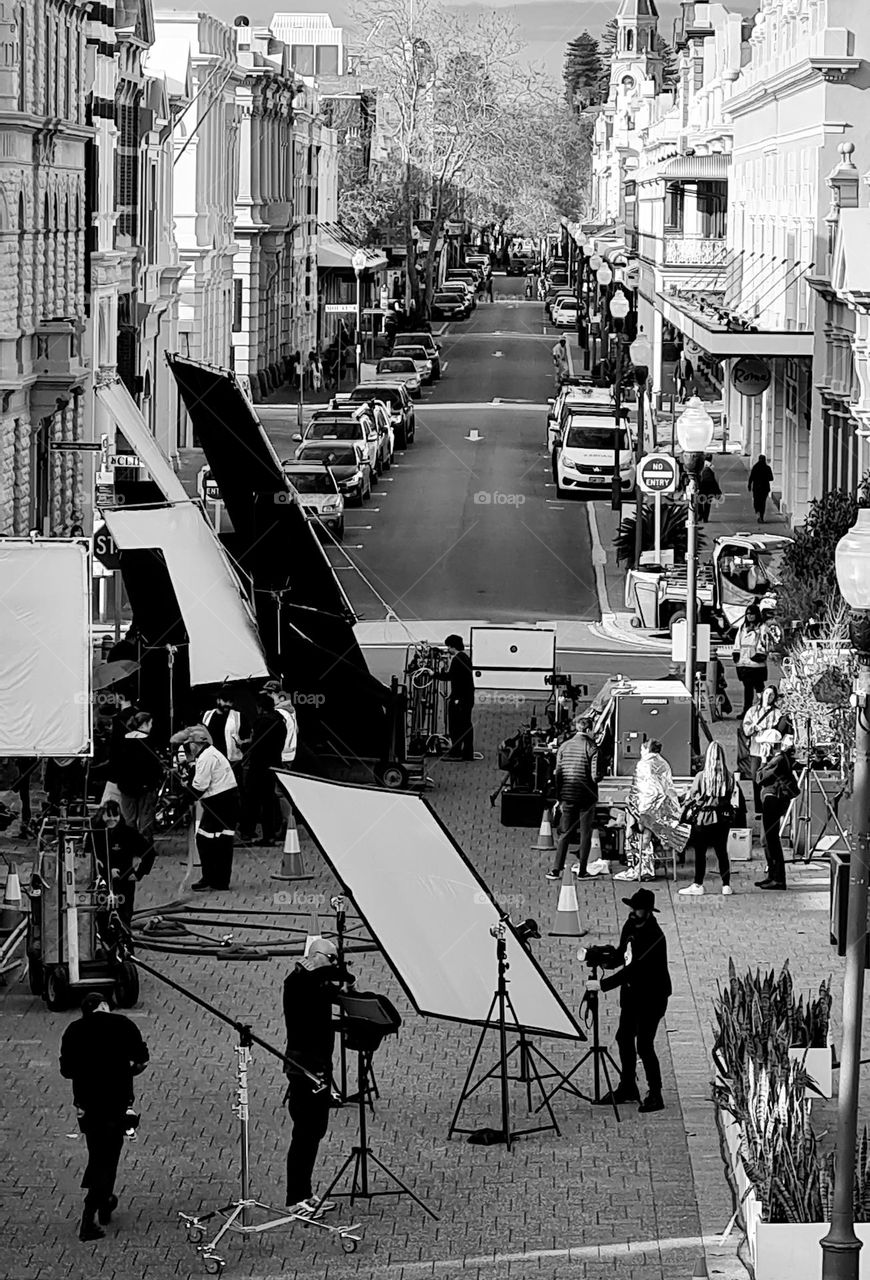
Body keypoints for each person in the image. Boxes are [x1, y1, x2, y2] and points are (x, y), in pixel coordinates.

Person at [60, 992, 149, 1241]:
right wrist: (126, 1071)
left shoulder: (73, 1030)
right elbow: (142, 1060)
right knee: (107, 1158)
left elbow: (66, 1070)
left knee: (98, 1152)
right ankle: (90, 1217)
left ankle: (105, 1201)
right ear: (104, 1006)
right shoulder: (124, 1025)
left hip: (88, 1105)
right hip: (116, 1102)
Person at [283, 938, 353, 1214]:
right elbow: (331, 977)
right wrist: (335, 972)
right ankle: (295, 1198)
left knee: (315, 1131)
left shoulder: (317, 981)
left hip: (320, 1065)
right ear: (315, 956)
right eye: (331, 957)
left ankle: (306, 1191)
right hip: (305, 1068)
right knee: (304, 1132)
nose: (335, 964)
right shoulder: (300, 982)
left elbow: (339, 980)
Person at [590, 887, 672, 1113]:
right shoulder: (630, 925)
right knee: (623, 1037)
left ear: (648, 912)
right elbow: (623, 953)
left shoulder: (655, 936)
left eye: (639, 909)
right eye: (634, 908)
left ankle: (655, 1093)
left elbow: (635, 969)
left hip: (652, 996)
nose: (635, 912)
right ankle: (627, 1087)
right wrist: (606, 962)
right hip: (632, 995)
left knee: (644, 1044)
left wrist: (603, 985)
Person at [172, 725, 239, 891]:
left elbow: (199, 787)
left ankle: (212, 878)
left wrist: (183, 801)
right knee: (219, 841)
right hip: (223, 801)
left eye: (188, 746)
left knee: (207, 840)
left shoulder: (206, 758)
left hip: (220, 802)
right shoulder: (209, 753)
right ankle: (218, 880)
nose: (188, 750)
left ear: (196, 744)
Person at [618, 739, 679, 882]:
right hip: (664, 813)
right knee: (646, 831)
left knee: (633, 830)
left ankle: (640, 867)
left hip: (646, 810)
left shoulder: (643, 764)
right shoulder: (664, 764)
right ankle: (647, 867)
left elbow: (638, 790)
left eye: (641, 750)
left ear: (646, 749)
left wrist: (632, 802)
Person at [678, 742, 735, 896]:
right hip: (722, 819)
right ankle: (726, 885)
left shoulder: (701, 777)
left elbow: (694, 796)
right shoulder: (729, 777)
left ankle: (698, 884)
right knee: (722, 852)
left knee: (700, 853)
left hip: (703, 819)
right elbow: (730, 796)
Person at [547, 715, 599, 881]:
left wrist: (559, 797)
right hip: (586, 797)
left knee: (565, 833)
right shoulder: (592, 748)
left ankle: (556, 869)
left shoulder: (564, 746)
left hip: (567, 796)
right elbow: (595, 776)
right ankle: (582, 871)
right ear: (589, 729)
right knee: (585, 834)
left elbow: (558, 774)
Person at [91, 800, 153, 929]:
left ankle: (125, 941)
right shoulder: (94, 834)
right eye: (109, 815)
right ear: (102, 815)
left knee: (124, 916)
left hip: (125, 883)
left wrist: (139, 873)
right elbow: (88, 858)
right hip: (102, 884)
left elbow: (149, 852)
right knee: (102, 916)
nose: (112, 819)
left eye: (115, 816)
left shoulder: (129, 833)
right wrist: (107, 872)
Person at [241, 694, 286, 845]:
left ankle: (247, 831)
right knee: (269, 801)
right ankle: (270, 834)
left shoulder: (262, 722)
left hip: (259, 766)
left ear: (260, 707)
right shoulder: (280, 722)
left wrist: (244, 745)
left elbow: (257, 744)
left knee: (252, 799)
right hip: (274, 764)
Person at [756, 731, 798, 890]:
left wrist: (763, 760)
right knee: (767, 839)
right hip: (772, 799)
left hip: (773, 799)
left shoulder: (777, 760)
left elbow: (759, 778)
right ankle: (772, 875)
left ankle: (778, 878)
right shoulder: (779, 759)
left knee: (771, 838)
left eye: (763, 744)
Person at [115, 712, 161, 844]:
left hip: (126, 786)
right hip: (146, 786)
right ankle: (145, 846)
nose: (151, 727)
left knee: (129, 818)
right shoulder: (149, 741)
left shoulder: (122, 740)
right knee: (145, 818)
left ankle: (129, 845)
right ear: (145, 724)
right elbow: (154, 765)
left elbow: (117, 763)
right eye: (150, 724)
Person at [743, 685, 787, 814]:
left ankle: (768, 805)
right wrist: (754, 728)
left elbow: (780, 731)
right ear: (762, 694)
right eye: (767, 693)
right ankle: (758, 809)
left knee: (770, 778)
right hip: (756, 749)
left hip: (772, 751)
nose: (768, 696)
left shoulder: (777, 713)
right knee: (755, 777)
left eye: (772, 694)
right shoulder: (752, 711)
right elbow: (746, 729)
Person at [202, 690, 250, 789]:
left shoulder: (238, 716)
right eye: (225, 700)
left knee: (233, 793)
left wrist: (242, 742)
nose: (228, 704)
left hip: (232, 763)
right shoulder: (207, 715)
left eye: (230, 701)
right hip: (212, 763)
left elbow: (249, 737)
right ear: (218, 700)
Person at [439, 635, 476, 762]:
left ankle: (456, 752)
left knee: (456, 726)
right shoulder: (465, 658)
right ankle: (467, 753)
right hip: (466, 698)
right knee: (466, 725)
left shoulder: (457, 660)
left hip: (460, 699)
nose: (447, 649)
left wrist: (435, 674)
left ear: (452, 646)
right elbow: (462, 680)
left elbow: (450, 676)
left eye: (448, 646)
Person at [732, 604, 771, 713]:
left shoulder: (762, 628)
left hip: (756, 664)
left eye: (752, 614)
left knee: (759, 688)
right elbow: (737, 642)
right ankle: (747, 711)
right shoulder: (742, 627)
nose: (750, 616)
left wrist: (760, 655)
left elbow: (765, 643)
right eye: (748, 614)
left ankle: (764, 709)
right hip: (743, 663)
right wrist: (736, 654)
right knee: (747, 689)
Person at [102, 691, 138, 805]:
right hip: (136, 764)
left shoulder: (118, 719)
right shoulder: (140, 716)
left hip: (120, 766)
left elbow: (115, 746)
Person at [748, 454, 775, 523]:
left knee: (756, 501)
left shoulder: (755, 467)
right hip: (764, 488)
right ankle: (761, 516)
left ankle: (757, 512)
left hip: (756, 488)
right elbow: (771, 478)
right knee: (763, 503)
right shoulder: (767, 468)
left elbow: (751, 477)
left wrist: (749, 485)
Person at [696, 456, 721, 523]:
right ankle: (705, 518)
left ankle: (701, 515)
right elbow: (715, 481)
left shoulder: (700, 466)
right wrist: (717, 491)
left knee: (700, 502)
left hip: (702, 488)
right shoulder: (712, 468)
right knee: (707, 504)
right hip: (710, 489)